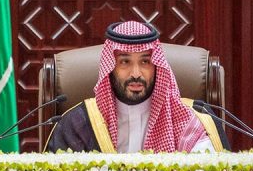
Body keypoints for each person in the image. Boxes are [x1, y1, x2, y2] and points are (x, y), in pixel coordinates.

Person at [44, 21, 229, 153]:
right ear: (110, 66)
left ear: (156, 65)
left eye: (145, 62)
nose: (136, 73)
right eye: (125, 62)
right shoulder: (77, 124)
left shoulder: (192, 119)